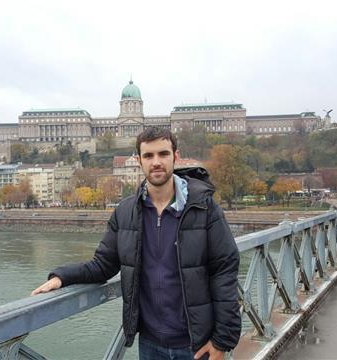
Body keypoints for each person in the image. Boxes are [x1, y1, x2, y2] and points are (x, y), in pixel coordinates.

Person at [31, 127, 241, 360]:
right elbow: (103, 265)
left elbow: (225, 271)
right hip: (150, 343)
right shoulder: (125, 212)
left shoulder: (204, 207)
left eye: (163, 154)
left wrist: (222, 340)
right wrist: (62, 277)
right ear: (139, 161)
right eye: (149, 156)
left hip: (197, 343)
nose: (156, 162)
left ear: (176, 157)